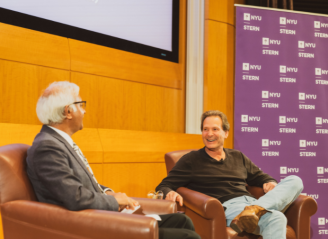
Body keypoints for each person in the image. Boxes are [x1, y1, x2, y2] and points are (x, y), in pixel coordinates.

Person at [26, 81, 200, 239]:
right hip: (87, 224)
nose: (85, 110)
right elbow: (74, 196)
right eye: (81, 105)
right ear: (68, 111)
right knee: (187, 236)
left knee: (182, 221)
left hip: (98, 214)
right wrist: (115, 202)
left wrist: (108, 192)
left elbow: (78, 185)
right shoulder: (47, 148)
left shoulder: (58, 142)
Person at [156, 110, 303, 239]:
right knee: (276, 217)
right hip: (228, 208)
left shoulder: (237, 156)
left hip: (250, 202)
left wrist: (269, 181)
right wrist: (169, 192)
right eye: (205, 129)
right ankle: (252, 212)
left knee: (295, 180)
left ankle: (254, 210)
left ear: (226, 133)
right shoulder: (191, 160)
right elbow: (163, 186)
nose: (209, 134)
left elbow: (260, 177)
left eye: (215, 129)